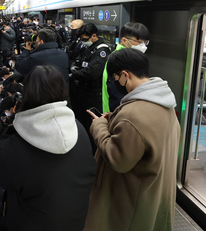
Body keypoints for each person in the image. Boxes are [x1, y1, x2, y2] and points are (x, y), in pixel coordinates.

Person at [0, 65, 95, 231]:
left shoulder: (15, 147)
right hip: (77, 220)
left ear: (26, 95)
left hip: (31, 223)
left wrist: (17, 120)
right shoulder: (78, 127)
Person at [84, 48, 180, 231]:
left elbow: (118, 159)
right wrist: (114, 118)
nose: (115, 82)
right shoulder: (164, 102)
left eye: (115, 78)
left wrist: (99, 126)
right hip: (154, 193)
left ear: (125, 75)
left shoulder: (132, 114)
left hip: (132, 200)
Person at [69, 23, 110, 142]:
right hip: (81, 91)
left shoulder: (102, 50)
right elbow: (77, 60)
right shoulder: (86, 47)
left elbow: (92, 73)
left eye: (85, 39)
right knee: (81, 120)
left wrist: (76, 74)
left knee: (91, 125)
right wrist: (74, 67)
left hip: (93, 94)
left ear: (94, 36)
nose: (82, 41)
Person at [102, 21, 149, 113]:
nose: (143, 45)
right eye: (139, 42)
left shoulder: (133, 57)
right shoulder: (120, 60)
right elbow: (116, 95)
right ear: (124, 40)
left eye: (145, 42)